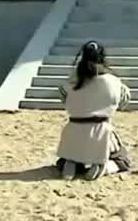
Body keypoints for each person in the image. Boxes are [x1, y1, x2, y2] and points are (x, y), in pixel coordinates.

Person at [55, 41, 132, 181]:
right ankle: (104, 166)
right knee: (123, 160)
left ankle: (71, 164)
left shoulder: (72, 82)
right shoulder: (114, 81)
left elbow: (64, 97)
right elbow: (124, 101)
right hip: (100, 131)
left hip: (73, 131)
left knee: (66, 158)